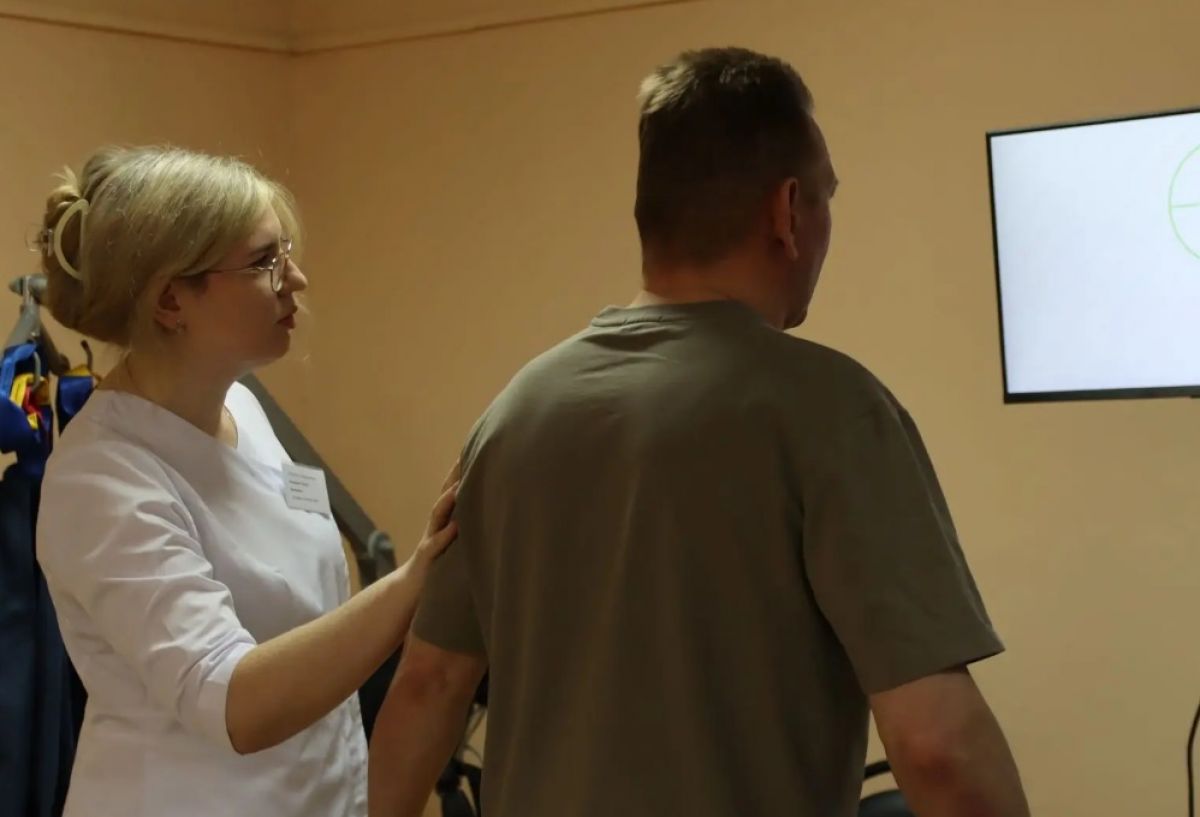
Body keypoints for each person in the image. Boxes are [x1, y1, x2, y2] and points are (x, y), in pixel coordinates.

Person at [367, 47, 1031, 817]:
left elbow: (428, 685)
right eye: (825, 197)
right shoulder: (834, 413)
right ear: (787, 213)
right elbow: (939, 746)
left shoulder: (512, 415)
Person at [33, 145, 459, 817]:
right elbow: (233, 700)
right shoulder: (102, 479)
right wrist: (414, 583)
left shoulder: (242, 408)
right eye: (265, 262)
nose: (297, 279)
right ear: (170, 299)